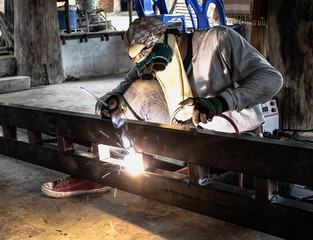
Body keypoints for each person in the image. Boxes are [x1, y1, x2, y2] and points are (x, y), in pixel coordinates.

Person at [41, 16, 283, 198]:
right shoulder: (148, 62)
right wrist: (109, 102)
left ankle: (207, 171)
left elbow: (273, 79)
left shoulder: (219, 39)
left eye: (150, 62)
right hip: (189, 132)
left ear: (169, 40)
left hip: (231, 135)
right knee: (138, 90)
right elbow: (123, 88)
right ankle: (106, 172)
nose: (147, 69)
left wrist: (221, 101)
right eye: (141, 64)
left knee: (241, 189)